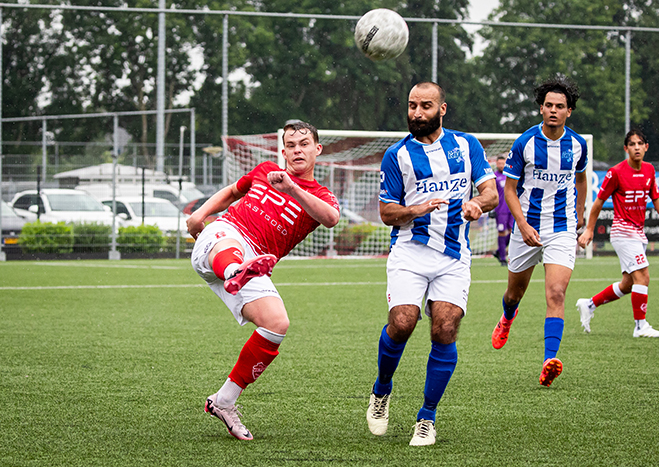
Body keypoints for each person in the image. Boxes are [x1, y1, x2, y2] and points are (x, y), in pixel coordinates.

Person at [187, 121, 340, 440]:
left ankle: (224, 401)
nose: (297, 150)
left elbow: (330, 219)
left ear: (317, 149)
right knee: (229, 246)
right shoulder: (266, 169)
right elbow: (232, 192)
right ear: (282, 151)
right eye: (291, 145)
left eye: (304, 144)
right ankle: (233, 271)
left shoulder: (320, 195)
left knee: (276, 323)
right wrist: (198, 215)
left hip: (256, 261)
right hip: (224, 236)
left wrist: (292, 188)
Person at [366, 82, 498, 446]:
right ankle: (381, 390)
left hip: (454, 255)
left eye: (425, 106)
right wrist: (415, 209)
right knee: (403, 322)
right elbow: (386, 212)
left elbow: (491, 192)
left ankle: (427, 416)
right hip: (409, 251)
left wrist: (477, 204)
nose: (416, 113)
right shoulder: (396, 155)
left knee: (444, 329)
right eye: (411, 106)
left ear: (442, 109)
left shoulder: (466, 145)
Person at [490, 75, 588, 388]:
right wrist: (522, 224)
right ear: (541, 108)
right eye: (548, 105)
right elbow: (510, 189)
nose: (554, 111)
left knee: (556, 293)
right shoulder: (525, 143)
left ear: (569, 111)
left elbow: (582, 180)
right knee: (514, 293)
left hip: (561, 229)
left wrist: (580, 215)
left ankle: (549, 360)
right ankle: (507, 317)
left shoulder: (577, 145)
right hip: (527, 226)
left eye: (560, 106)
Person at [576, 129, 659, 337]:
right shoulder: (616, 172)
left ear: (646, 147)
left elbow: (655, 197)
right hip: (622, 232)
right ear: (626, 148)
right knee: (643, 277)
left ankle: (589, 305)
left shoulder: (649, 170)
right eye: (632, 144)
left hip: (638, 233)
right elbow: (598, 202)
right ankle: (640, 326)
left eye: (640, 144)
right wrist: (590, 230)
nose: (636, 147)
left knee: (629, 284)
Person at [492, 155, 514, 266]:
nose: (501, 165)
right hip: (500, 209)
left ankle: (499, 251)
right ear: (496, 164)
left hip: (512, 208)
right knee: (502, 232)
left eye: (503, 163)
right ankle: (502, 258)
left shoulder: (510, 175)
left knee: (512, 232)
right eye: (499, 163)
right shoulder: (494, 177)